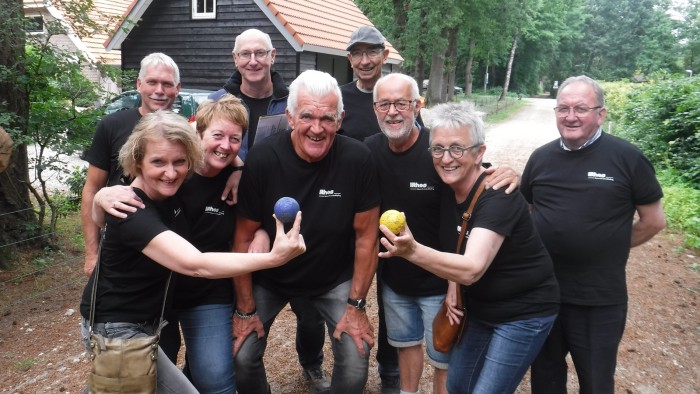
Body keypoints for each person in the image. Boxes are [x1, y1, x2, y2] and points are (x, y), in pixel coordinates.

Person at [79, 110, 306, 394]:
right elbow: (194, 264)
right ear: (137, 161)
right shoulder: (133, 208)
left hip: (141, 324)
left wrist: (238, 168)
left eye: (179, 162)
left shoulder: (164, 192)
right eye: (158, 162)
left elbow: (217, 149)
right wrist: (274, 258)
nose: (171, 172)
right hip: (118, 330)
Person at [378, 100, 560, 394]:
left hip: (523, 313)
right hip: (480, 309)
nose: (446, 158)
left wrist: (412, 251)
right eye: (438, 148)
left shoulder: (498, 195)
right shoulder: (448, 191)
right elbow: (456, 247)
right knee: (458, 384)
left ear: (480, 153)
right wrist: (453, 284)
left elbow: (473, 267)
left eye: (457, 148)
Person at [232, 70, 379, 394]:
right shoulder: (264, 158)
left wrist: (356, 306)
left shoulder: (358, 159)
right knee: (242, 357)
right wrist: (245, 309)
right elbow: (243, 236)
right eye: (307, 116)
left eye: (327, 118)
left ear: (340, 119)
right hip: (270, 276)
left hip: (332, 278)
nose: (317, 128)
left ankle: (314, 366)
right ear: (290, 116)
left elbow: (367, 237)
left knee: (356, 361)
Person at [525, 76, 666, 394]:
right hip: (544, 293)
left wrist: (608, 243)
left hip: (598, 299)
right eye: (563, 108)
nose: (570, 116)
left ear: (600, 114)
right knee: (545, 378)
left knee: (596, 382)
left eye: (581, 108)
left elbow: (653, 220)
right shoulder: (541, 158)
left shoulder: (628, 158)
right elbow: (529, 209)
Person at [210, 28, 330, 392]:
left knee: (309, 311)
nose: (253, 61)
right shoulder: (217, 101)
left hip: (288, 216)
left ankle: (312, 362)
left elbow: (326, 135)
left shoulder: (293, 100)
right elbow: (197, 148)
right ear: (235, 59)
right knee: (240, 297)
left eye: (260, 53)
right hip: (232, 215)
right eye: (245, 54)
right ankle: (225, 364)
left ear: (273, 56)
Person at [81, 52, 180, 278]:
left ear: (177, 88)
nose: (159, 90)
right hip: (120, 238)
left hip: (167, 238)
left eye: (167, 84)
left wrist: (238, 168)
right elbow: (91, 188)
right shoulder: (112, 125)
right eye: (152, 82)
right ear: (138, 84)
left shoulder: (182, 131)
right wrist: (92, 252)